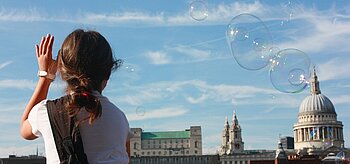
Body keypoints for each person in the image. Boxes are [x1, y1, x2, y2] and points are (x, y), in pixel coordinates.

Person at [20, 29, 131, 164]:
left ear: (62, 70)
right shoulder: (119, 118)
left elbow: (24, 129)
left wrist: (45, 76)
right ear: (107, 74)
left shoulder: (47, 113)